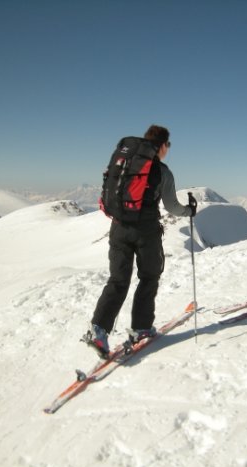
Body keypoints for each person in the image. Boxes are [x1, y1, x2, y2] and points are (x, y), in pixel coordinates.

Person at [87, 125, 197, 358]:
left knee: (118, 280)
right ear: (162, 145)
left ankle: (98, 330)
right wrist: (190, 211)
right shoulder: (162, 171)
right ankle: (141, 328)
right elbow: (171, 207)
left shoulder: (125, 163)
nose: (169, 150)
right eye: (169, 145)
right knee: (149, 276)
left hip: (118, 228)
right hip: (145, 232)